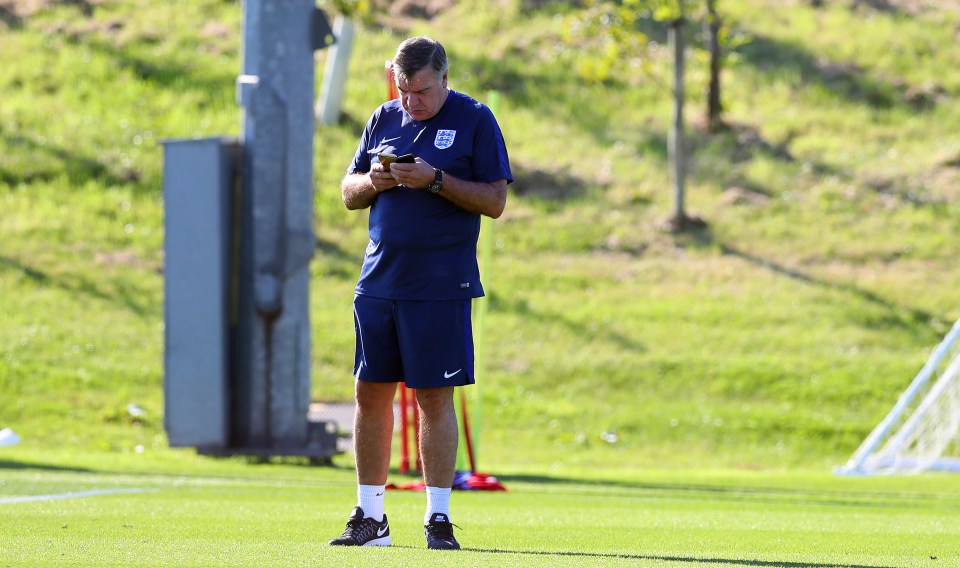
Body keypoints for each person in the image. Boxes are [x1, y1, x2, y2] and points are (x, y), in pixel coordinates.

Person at [328, 36, 512, 550]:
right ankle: (369, 516)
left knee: (433, 397)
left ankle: (438, 517)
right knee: (370, 395)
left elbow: (494, 201)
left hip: (439, 283)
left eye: (422, 91)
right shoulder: (383, 117)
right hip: (378, 280)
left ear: (444, 78)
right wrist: (377, 181)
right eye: (405, 90)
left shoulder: (476, 119)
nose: (413, 102)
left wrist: (434, 181)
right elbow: (347, 192)